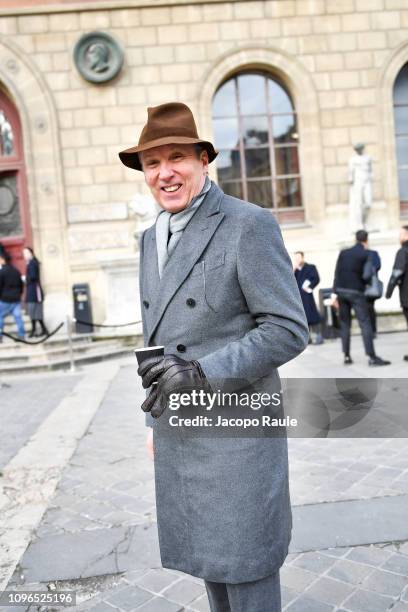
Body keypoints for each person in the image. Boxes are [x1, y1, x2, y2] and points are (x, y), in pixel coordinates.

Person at [118, 102, 309, 612]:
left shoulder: (248, 224)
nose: (165, 173)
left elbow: (288, 329)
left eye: (176, 157)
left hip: (237, 434)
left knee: (246, 567)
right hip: (181, 430)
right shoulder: (148, 239)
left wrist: (203, 371)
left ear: (204, 161)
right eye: (152, 163)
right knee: (212, 567)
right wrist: (156, 424)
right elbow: (159, 343)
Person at [332, 229, 390, 366]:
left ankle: (346, 356)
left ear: (355, 239)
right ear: (366, 240)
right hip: (356, 292)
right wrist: (364, 284)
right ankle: (371, 357)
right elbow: (366, 275)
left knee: (345, 324)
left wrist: (335, 293)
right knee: (365, 323)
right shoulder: (366, 254)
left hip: (341, 291)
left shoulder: (343, 252)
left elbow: (337, 273)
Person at [385, 225, 408, 361]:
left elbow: (397, 273)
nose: (399, 237)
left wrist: (388, 292)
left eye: (401, 234)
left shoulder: (403, 251)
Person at [294, 251, 323, 344]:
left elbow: (316, 278)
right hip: (298, 297)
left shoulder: (310, 267)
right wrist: (293, 269)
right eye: (296, 258)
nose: (297, 260)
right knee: (303, 318)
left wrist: (309, 287)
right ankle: (308, 338)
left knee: (312, 315)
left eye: (299, 258)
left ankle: (318, 336)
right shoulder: (295, 270)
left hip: (307, 296)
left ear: (303, 258)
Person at [22, 246, 48, 337]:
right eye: (24, 253)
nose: (24, 255)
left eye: (26, 253)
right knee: (35, 312)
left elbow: (33, 277)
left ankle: (35, 330)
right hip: (32, 290)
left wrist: (25, 279)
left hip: (34, 292)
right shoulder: (31, 263)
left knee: (34, 311)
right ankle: (42, 330)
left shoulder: (32, 263)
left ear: (31, 253)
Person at [0, 251, 25, 342]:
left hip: (5, 299)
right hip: (16, 298)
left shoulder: (2, 272)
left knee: (0, 317)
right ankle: (21, 335)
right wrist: (19, 294)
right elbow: (21, 284)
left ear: (3, 260)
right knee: (18, 317)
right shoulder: (16, 271)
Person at [365, 246, 381, 336]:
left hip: (370, 285)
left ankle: (372, 330)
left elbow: (377, 266)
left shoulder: (373, 253)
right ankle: (369, 330)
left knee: (370, 308)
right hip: (360, 285)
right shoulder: (373, 254)